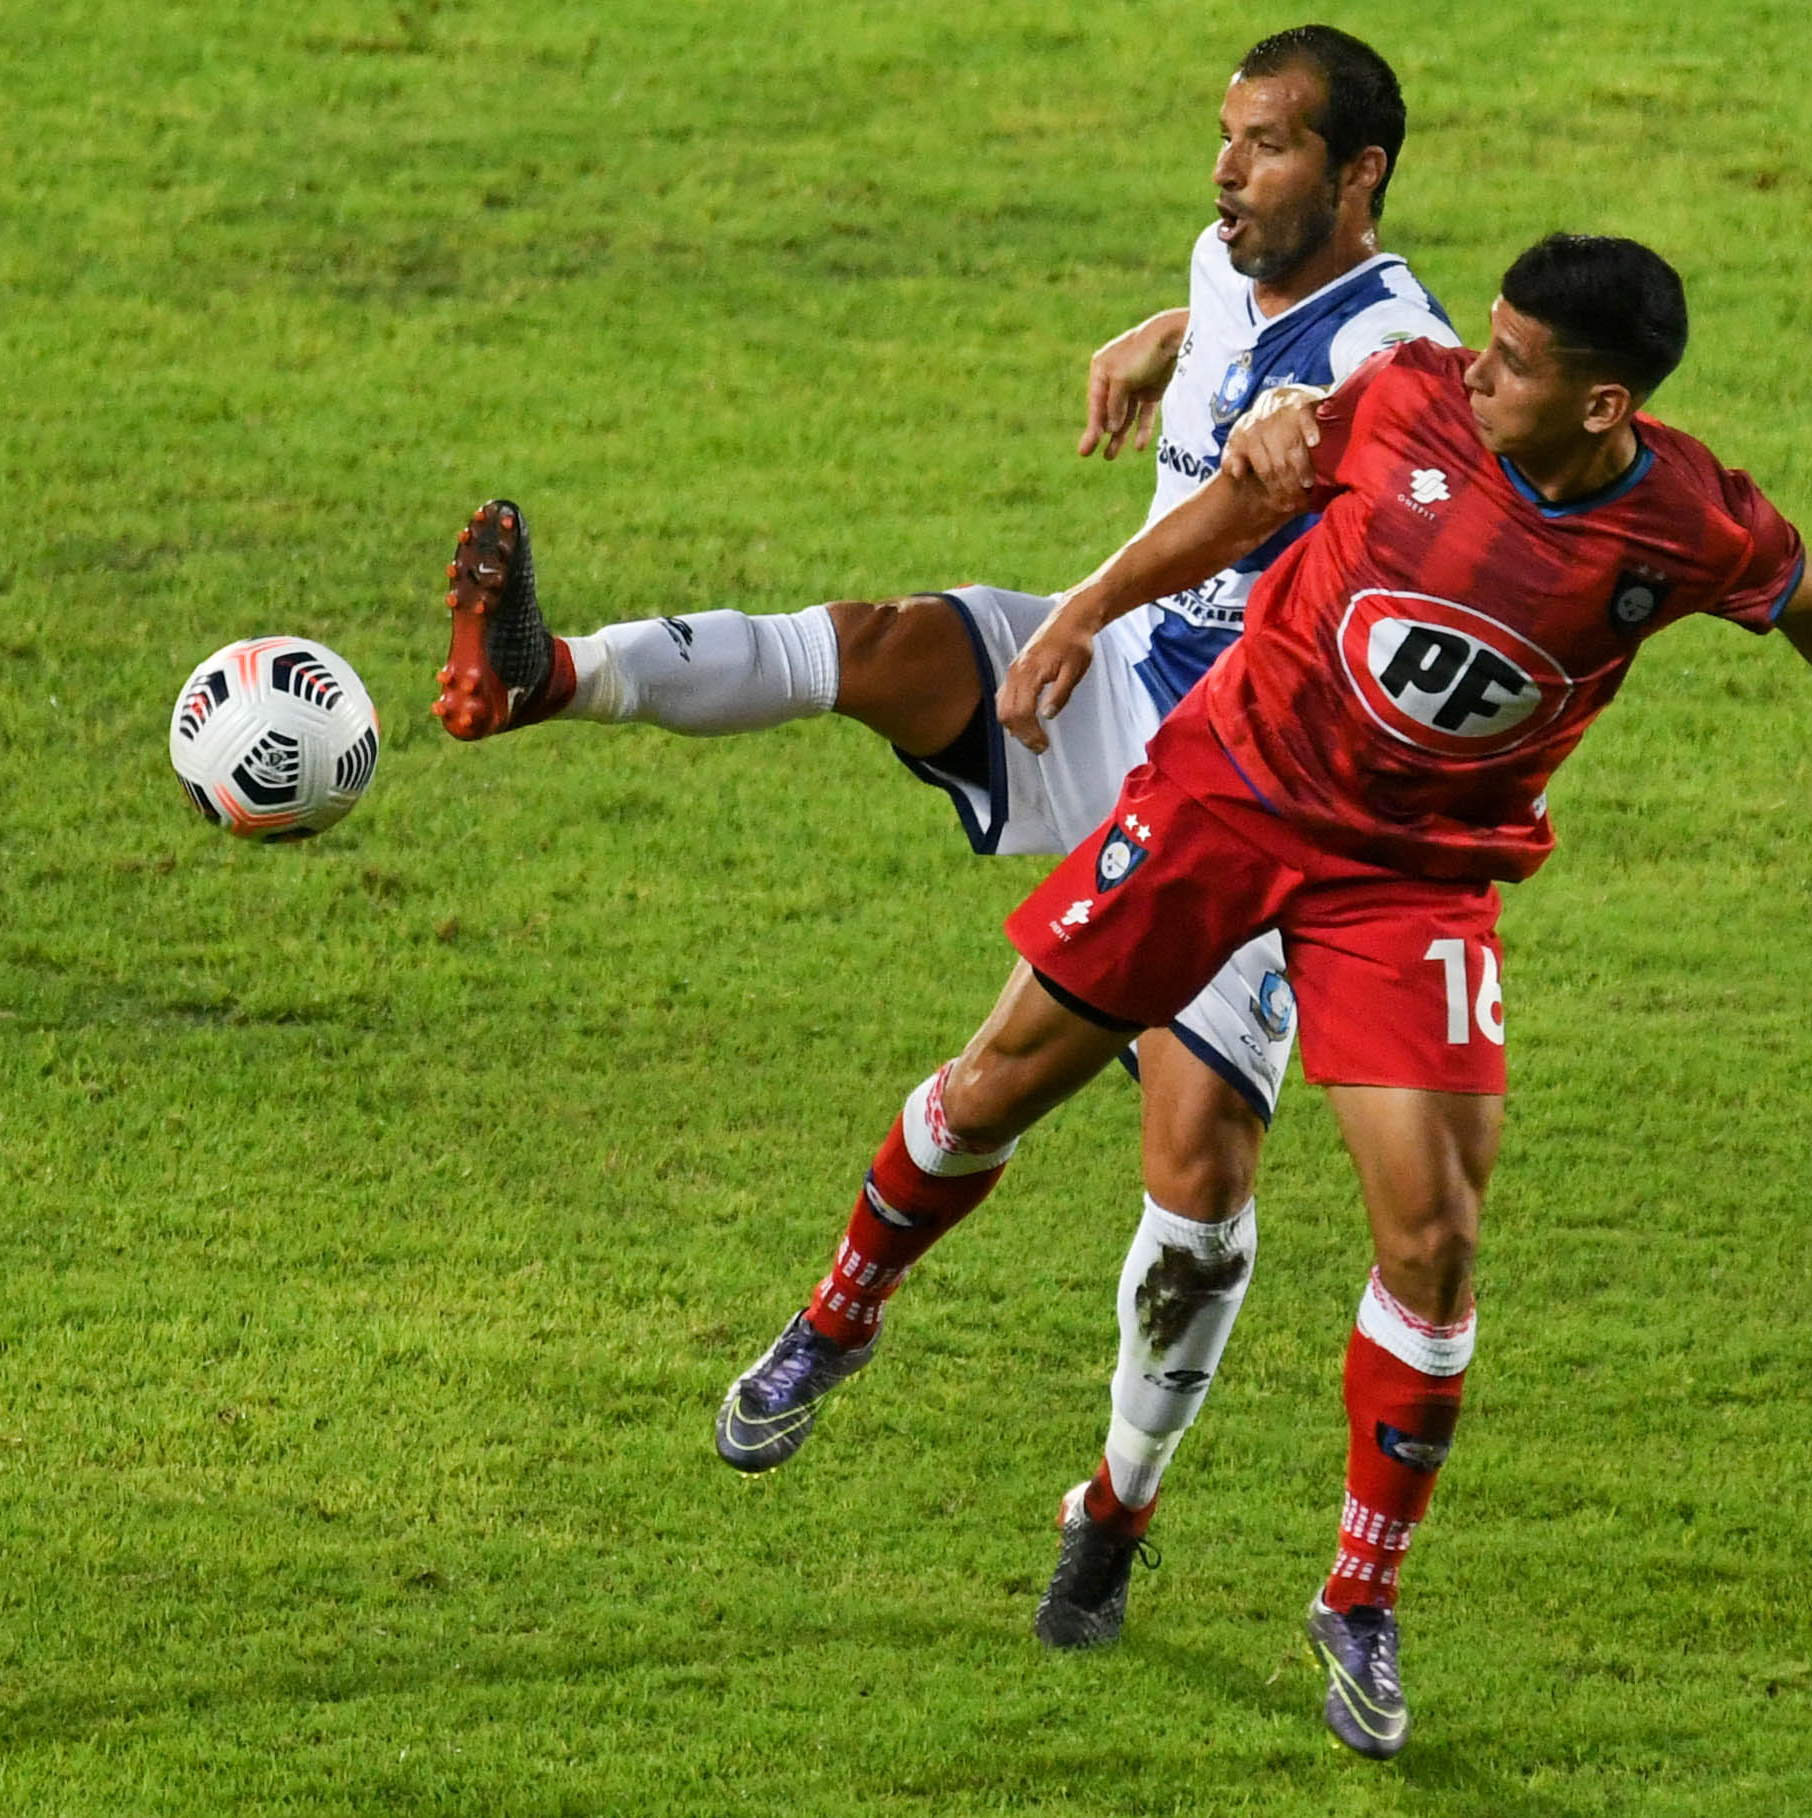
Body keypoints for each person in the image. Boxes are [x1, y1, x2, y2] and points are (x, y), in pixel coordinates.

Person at [705, 232, 1812, 1759]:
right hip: (1229, 795)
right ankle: (842, 1313)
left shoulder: (1685, 521)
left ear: (1606, 405)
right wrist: (1086, 613)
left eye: (1518, 361)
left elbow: (1803, 590)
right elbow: (1230, 509)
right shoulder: (1400, 402)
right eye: (1483, 337)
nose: (1476, 366)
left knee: (1435, 1231)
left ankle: (1358, 1594)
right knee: (997, 1085)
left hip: (1413, 878)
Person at [431, 27, 1460, 1649]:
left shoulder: (1399, 354)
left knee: (1194, 1196)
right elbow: (1231, 314)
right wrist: (1158, 338)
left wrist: (1094, 597)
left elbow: (1285, 474)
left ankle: (1112, 1511)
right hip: (1118, 677)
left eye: (1266, 148)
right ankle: (543, 675)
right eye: (1225, 136)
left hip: (1252, 784)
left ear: (1360, 177)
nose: (1224, 170)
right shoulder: (1229, 259)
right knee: (885, 642)